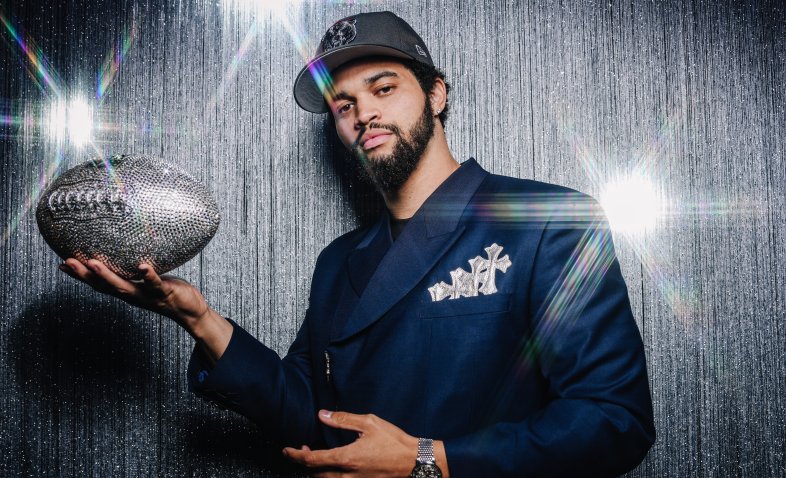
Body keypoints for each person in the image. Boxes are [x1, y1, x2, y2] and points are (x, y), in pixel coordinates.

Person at [59, 11, 655, 477]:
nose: (362, 113)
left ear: (437, 94)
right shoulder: (339, 262)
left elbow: (614, 421)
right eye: (343, 106)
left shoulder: (548, 220)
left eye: (384, 88)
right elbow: (312, 416)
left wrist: (432, 461)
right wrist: (197, 318)